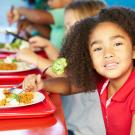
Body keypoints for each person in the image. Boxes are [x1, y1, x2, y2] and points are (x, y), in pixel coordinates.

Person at [23, 7, 135, 135]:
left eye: (117, 44)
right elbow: (71, 85)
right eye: (98, 49)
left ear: (133, 50)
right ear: (89, 58)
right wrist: (43, 84)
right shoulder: (104, 81)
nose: (107, 54)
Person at [7, 0, 72, 49]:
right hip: (53, 55)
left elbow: (38, 17)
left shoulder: (69, 12)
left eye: (51, 0)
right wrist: (31, 22)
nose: (48, 3)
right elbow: (49, 34)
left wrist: (19, 10)